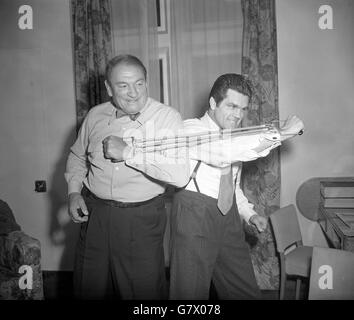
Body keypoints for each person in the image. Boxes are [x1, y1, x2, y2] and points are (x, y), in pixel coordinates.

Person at [168, 73, 304, 300]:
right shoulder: (189, 129)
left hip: (228, 217)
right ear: (213, 103)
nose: (238, 115)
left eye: (243, 109)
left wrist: (248, 213)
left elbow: (231, 184)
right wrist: (280, 133)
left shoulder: (234, 136)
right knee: (189, 294)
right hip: (194, 214)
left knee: (245, 291)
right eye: (232, 106)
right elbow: (222, 153)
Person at [65, 54, 189, 300]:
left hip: (141, 219)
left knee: (143, 294)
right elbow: (77, 157)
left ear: (147, 83)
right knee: (88, 288)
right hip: (95, 215)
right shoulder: (95, 116)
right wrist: (73, 192)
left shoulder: (167, 118)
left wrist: (129, 153)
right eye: (123, 85)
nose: (133, 93)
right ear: (109, 88)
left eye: (139, 83)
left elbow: (180, 174)